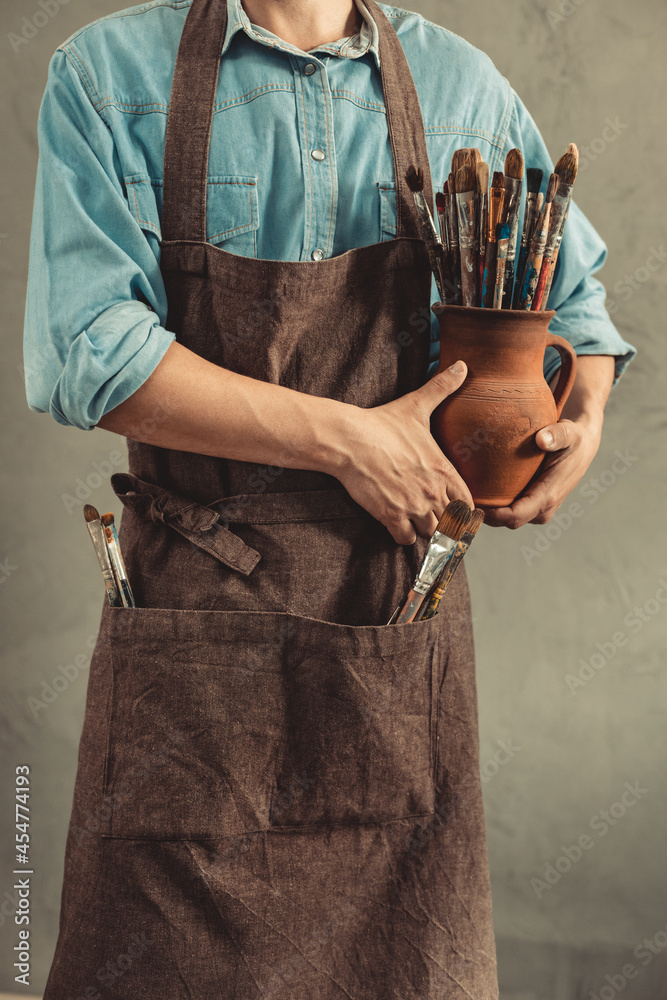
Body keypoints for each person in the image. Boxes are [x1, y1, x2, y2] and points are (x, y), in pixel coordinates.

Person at [23, 1, 636, 998]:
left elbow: (573, 310)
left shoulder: (457, 85)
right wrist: (348, 439)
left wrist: (582, 413)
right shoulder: (109, 75)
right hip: (192, 625)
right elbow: (88, 356)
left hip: (391, 616)